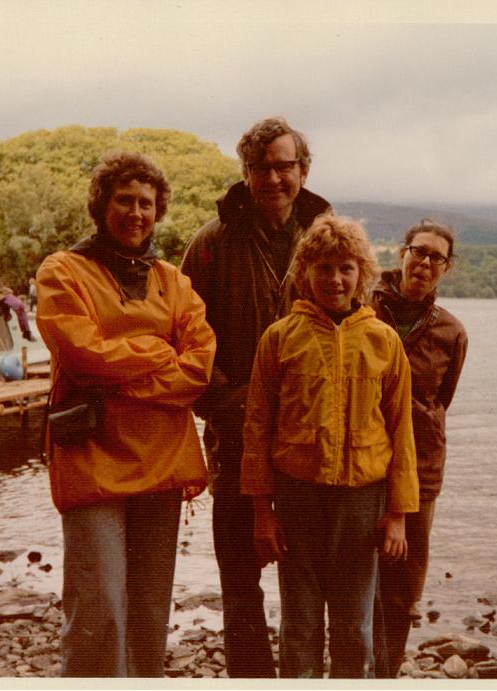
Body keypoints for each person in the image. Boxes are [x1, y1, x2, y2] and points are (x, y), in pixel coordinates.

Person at [35, 151, 217, 677]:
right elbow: (82, 354)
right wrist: (160, 352)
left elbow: (200, 366)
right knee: (97, 611)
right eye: (124, 201)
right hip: (92, 463)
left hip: (164, 467)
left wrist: (122, 375)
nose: (136, 213)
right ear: (101, 205)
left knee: (149, 614)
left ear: (158, 211)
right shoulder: (61, 270)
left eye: (147, 203)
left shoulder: (174, 282)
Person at [180, 116, 331, 678]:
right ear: (245, 174)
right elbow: (184, 339)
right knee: (241, 582)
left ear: (303, 170)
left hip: (312, 447)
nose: (273, 177)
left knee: (308, 581)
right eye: (261, 167)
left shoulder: (325, 239)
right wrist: (232, 403)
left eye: (284, 166)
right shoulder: (211, 244)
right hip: (236, 440)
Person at [241, 214, 419, 678]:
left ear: (362, 273)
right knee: (298, 623)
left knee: (353, 623)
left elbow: (402, 431)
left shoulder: (383, 340)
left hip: (362, 502)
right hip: (297, 497)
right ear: (305, 272)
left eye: (345, 268)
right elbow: (257, 429)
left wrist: (398, 514)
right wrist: (263, 510)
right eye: (323, 268)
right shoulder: (279, 339)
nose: (335, 279)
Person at [368, 219, 468, 678]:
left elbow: (439, 400)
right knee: (354, 578)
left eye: (436, 258)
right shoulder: (362, 309)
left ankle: (386, 673)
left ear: (446, 269)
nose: (425, 263)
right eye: (419, 252)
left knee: (402, 584)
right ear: (402, 253)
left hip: (421, 472)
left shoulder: (451, 332)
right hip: (360, 465)